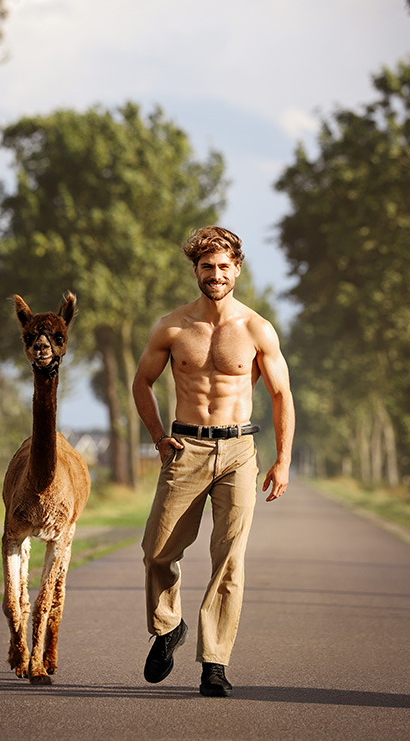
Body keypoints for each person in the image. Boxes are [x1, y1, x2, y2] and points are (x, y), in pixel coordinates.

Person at [132, 225, 294, 698]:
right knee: (157, 549)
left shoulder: (257, 329)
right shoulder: (172, 327)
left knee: (229, 560)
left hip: (240, 451)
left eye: (224, 266)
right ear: (196, 271)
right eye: (207, 267)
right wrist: (159, 437)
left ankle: (215, 664)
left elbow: (282, 395)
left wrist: (282, 461)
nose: (216, 275)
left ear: (237, 269)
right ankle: (167, 628)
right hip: (186, 448)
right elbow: (142, 382)